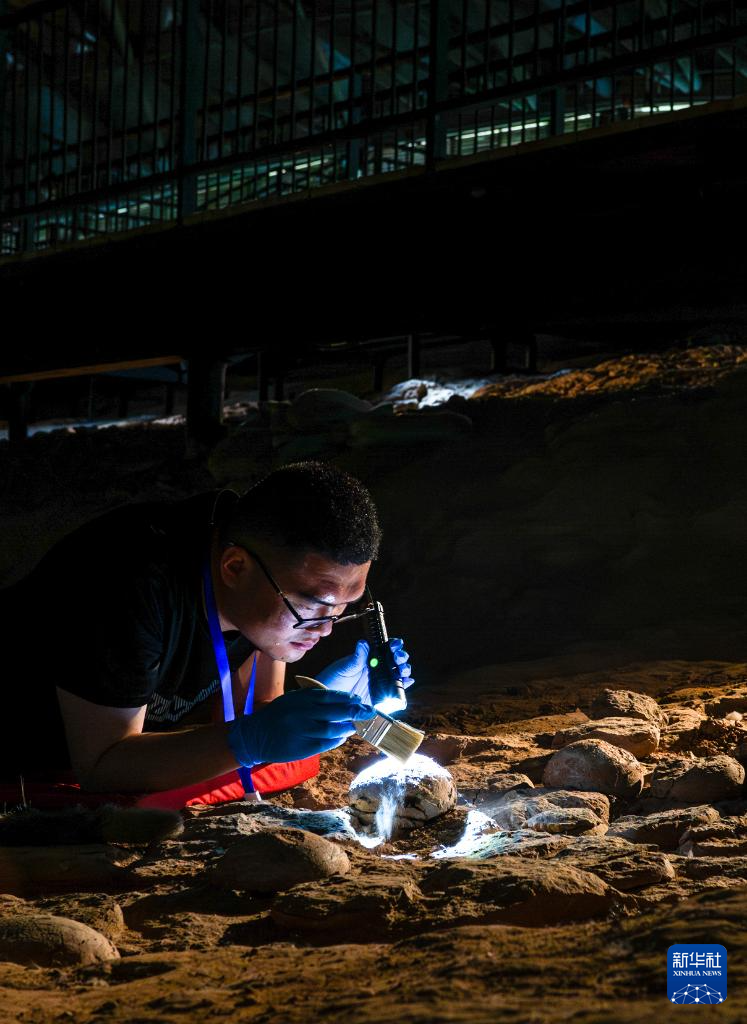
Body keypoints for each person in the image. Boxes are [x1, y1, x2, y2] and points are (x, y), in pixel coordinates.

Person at [0, 461, 412, 795]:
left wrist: (328, 706)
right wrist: (251, 740)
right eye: (313, 607)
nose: (326, 629)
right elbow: (102, 766)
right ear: (235, 567)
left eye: (344, 607)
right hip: (26, 756)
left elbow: (257, 709)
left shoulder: (256, 574)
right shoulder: (125, 583)